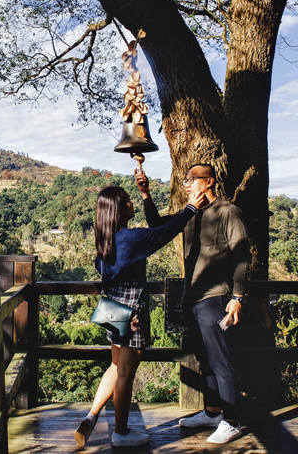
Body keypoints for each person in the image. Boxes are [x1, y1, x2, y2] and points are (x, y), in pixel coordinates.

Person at [75, 185, 207, 448]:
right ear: (118, 209)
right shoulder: (130, 239)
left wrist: (147, 194)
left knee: (115, 366)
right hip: (132, 310)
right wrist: (191, 208)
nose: (130, 202)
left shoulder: (106, 239)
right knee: (126, 373)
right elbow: (165, 232)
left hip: (111, 306)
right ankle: (121, 433)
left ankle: (91, 416)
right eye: (126, 200)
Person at [136, 164, 250, 445]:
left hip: (216, 297)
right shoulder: (191, 213)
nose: (186, 184)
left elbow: (242, 255)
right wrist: (146, 194)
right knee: (204, 359)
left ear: (209, 181)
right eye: (185, 179)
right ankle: (212, 412)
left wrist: (237, 298)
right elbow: (158, 226)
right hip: (194, 298)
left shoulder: (228, 212)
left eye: (191, 179)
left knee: (221, 361)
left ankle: (231, 421)